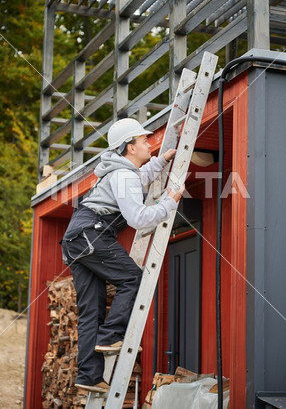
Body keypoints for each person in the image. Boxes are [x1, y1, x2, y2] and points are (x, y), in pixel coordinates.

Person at [60, 118, 185, 392]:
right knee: (134, 279)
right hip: (91, 235)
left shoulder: (121, 172)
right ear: (129, 147)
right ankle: (111, 335)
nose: (148, 142)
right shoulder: (123, 175)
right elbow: (138, 218)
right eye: (143, 140)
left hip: (77, 238)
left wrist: (162, 159)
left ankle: (88, 376)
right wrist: (168, 202)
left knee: (91, 310)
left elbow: (142, 176)